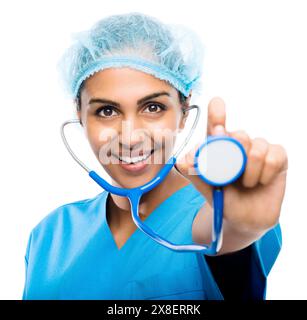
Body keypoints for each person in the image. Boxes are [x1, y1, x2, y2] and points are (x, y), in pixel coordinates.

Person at [22, 12, 288, 300]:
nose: (131, 136)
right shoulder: (50, 234)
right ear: (80, 114)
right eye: (106, 111)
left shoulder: (215, 212)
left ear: (184, 111)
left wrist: (238, 227)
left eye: (153, 108)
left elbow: (222, 240)